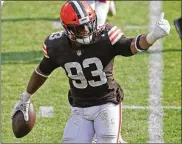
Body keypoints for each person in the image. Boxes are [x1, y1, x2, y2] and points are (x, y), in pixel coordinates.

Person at [11, 1, 170, 143]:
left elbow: (131, 46)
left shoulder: (106, 35)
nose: (86, 30)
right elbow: (42, 72)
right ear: (68, 29)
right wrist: (25, 98)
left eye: (89, 24)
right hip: (79, 107)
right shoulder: (56, 45)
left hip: (107, 103)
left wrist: (152, 37)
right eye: (80, 28)